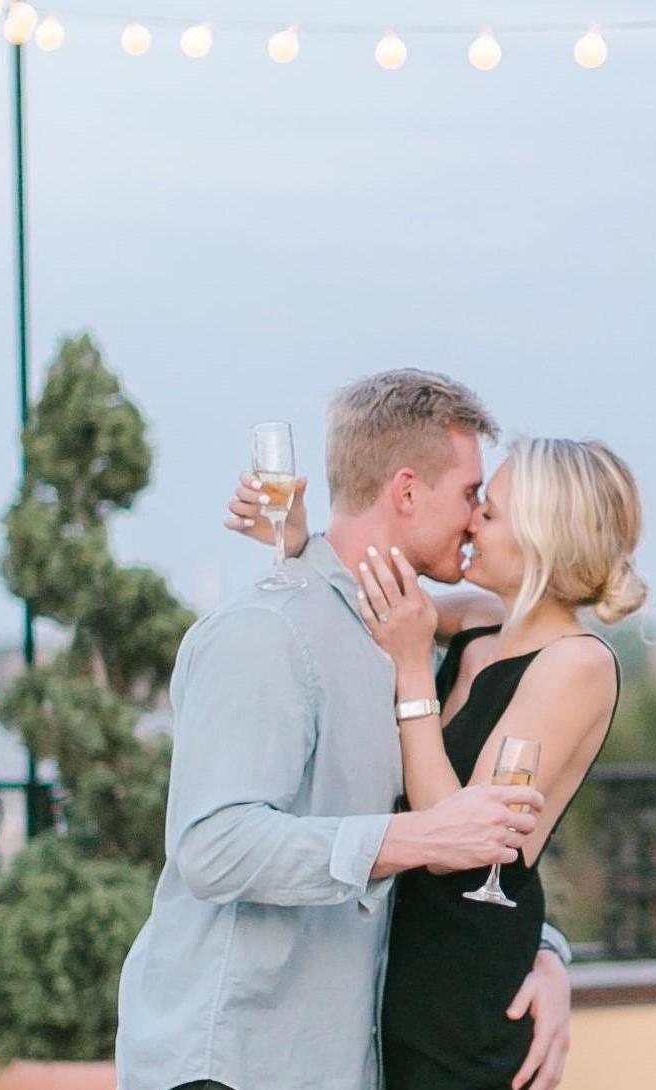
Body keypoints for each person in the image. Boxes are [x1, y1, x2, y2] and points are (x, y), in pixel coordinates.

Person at [116, 370, 572, 1090]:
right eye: (469, 494)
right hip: (237, 1066)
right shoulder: (268, 632)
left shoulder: (406, 640)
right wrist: (423, 837)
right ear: (407, 491)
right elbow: (213, 846)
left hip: (337, 1065)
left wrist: (541, 952)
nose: (475, 518)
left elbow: (436, 857)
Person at [231, 434, 646, 1090]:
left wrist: (414, 669)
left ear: (542, 538)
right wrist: (299, 541)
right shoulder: (480, 621)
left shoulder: (577, 664)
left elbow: (456, 838)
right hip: (393, 973)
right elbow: (361, 604)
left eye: (491, 510)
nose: (471, 519)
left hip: (463, 999)